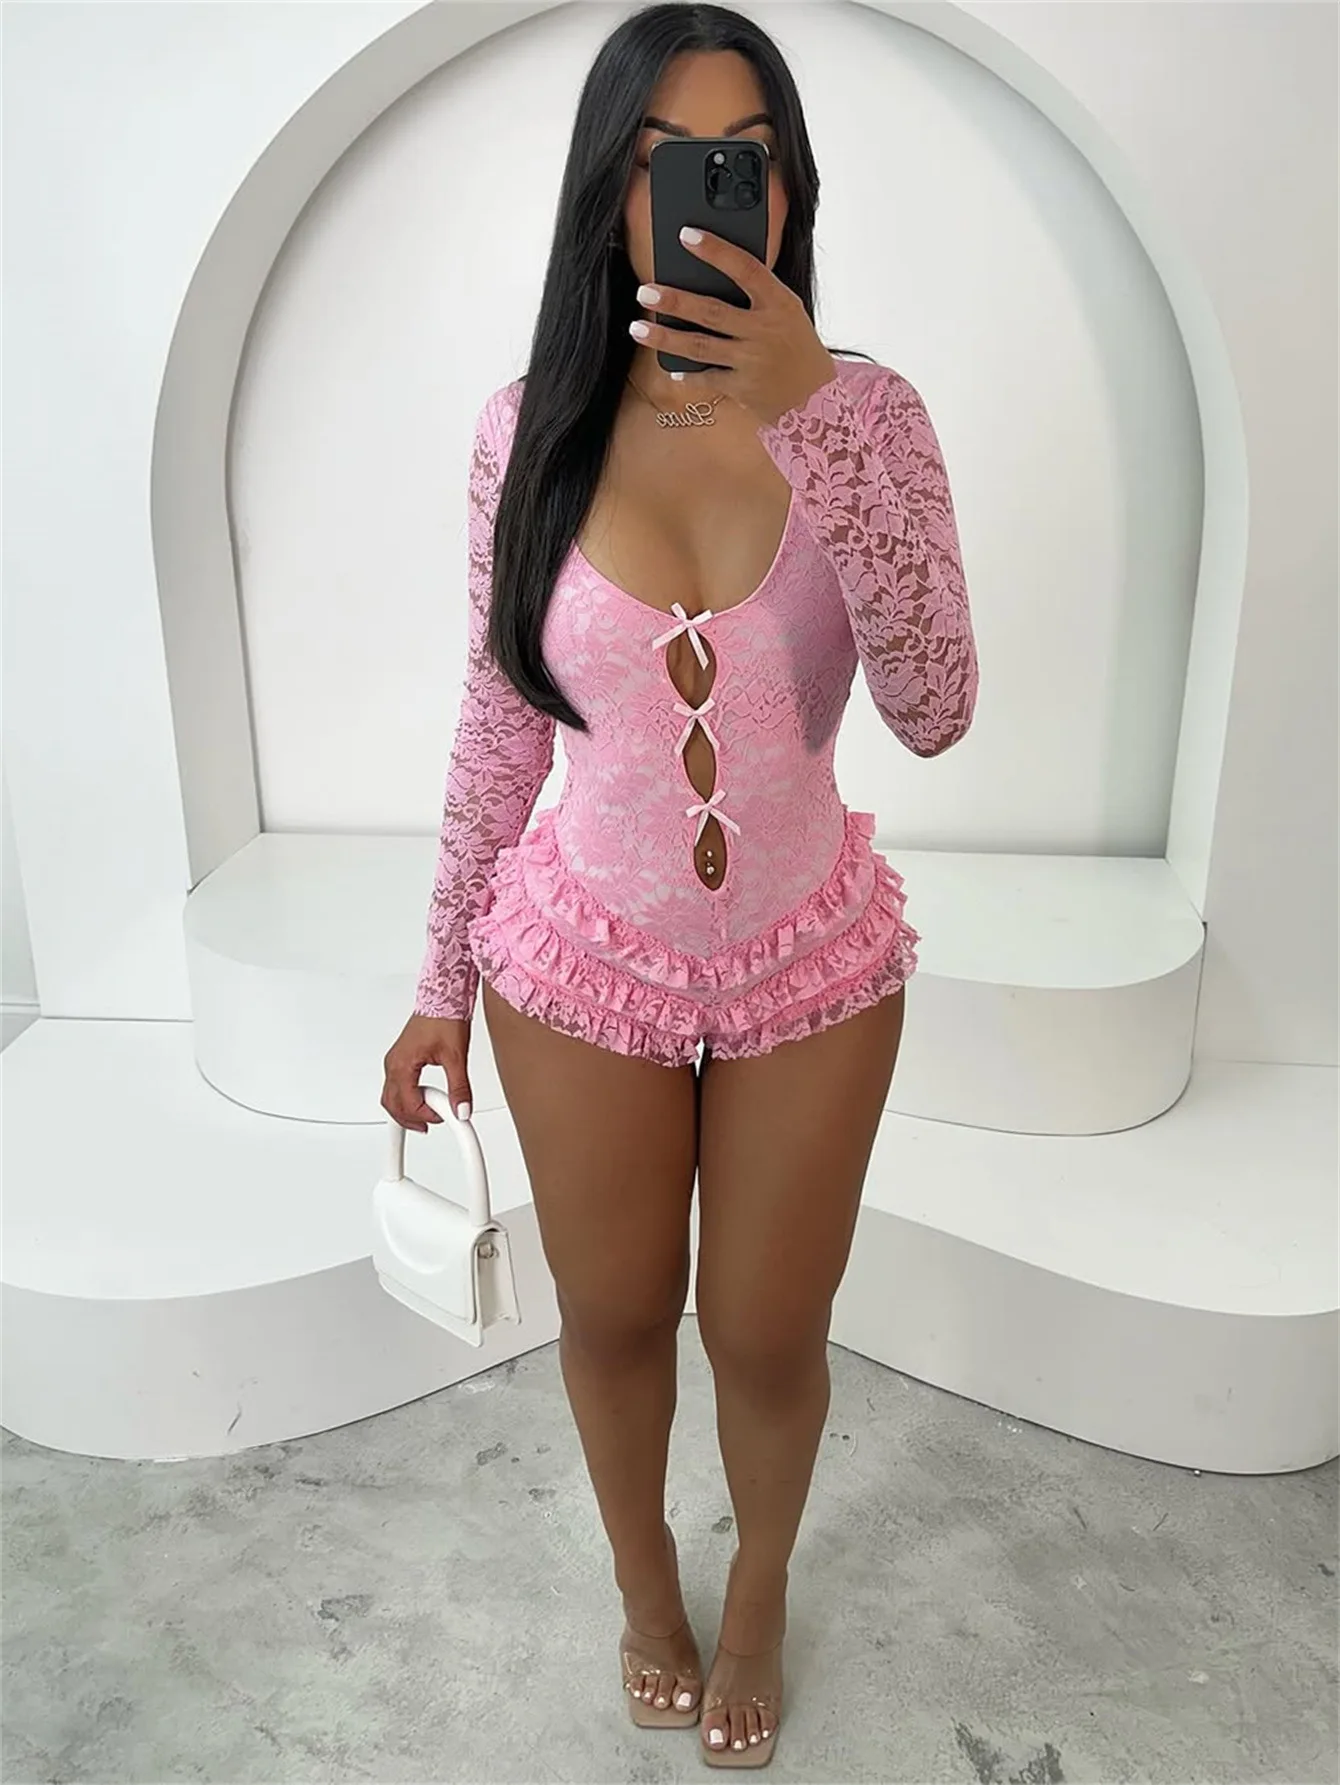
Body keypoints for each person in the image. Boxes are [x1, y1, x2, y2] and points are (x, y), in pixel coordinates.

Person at [382, 1, 978, 1767]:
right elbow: (500, 717)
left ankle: (763, 1587)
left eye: (747, 158)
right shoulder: (528, 429)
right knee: (618, 1311)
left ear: (790, 189)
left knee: (771, 1335)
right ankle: (648, 1588)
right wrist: (434, 983)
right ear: (609, 190)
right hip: (583, 958)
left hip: (810, 957)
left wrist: (819, 425)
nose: (710, 192)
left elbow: (937, 708)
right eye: (666, 160)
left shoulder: (874, 416)